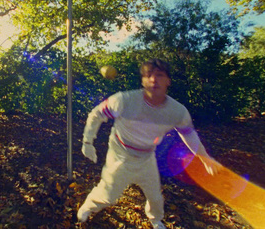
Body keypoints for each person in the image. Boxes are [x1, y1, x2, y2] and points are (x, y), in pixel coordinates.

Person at [77, 59, 222, 229]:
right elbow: (97, 114)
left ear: (168, 80)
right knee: (108, 196)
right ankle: (87, 207)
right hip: (120, 155)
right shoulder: (124, 100)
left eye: (159, 75)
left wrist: (204, 158)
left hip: (147, 157)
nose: (153, 80)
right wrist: (87, 141)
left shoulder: (177, 111)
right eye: (148, 75)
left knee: (155, 197)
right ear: (142, 80)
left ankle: (155, 219)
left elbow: (189, 135)